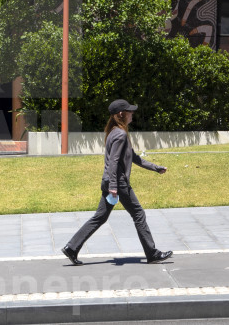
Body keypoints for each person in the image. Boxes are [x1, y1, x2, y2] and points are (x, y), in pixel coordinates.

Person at [61, 99, 172, 265]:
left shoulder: (114, 132)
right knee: (138, 214)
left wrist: (155, 167)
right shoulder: (120, 134)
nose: (132, 113)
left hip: (110, 181)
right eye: (130, 111)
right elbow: (113, 162)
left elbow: (133, 157)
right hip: (118, 184)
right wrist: (114, 186)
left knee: (100, 217)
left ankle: (72, 247)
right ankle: (152, 253)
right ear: (122, 114)